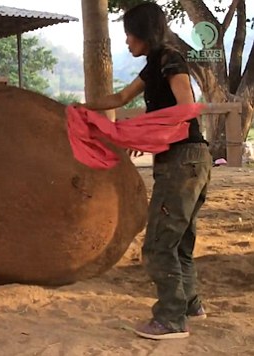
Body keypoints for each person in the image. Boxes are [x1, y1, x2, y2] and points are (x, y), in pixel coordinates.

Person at [78, 2, 212, 340]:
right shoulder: (154, 66)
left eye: (129, 36)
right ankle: (191, 305)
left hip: (183, 160)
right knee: (179, 242)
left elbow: (185, 109)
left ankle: (170, 319)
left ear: (144, 34)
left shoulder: (171, 60)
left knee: (157, 245)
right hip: (189, 160)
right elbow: (121, 97)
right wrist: (83, 108)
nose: (126, 43)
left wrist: (148, 132)